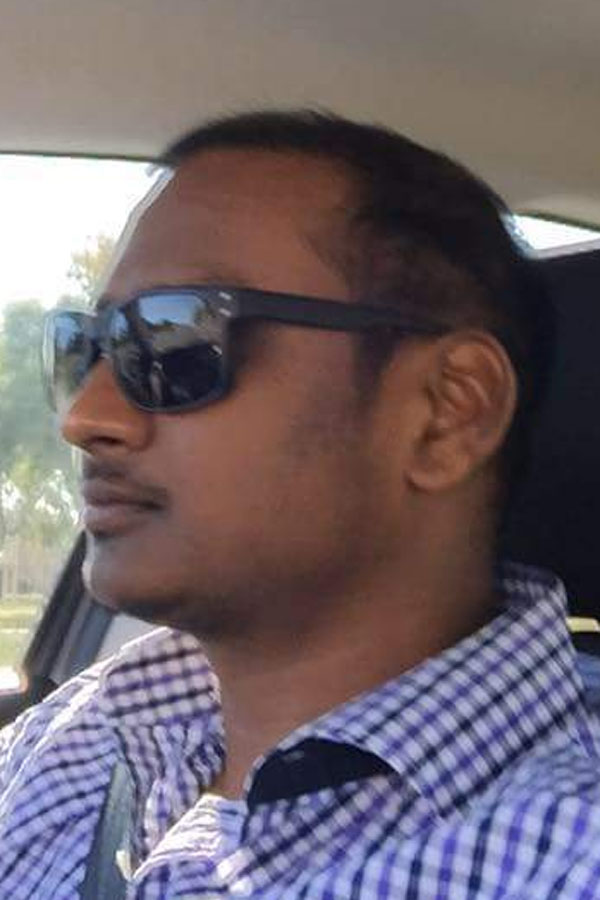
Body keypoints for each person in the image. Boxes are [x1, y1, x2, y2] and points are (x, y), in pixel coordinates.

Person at [1, 110, 599, 899]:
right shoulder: (75, 733)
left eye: (176, 341)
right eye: (86, 348)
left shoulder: (566, 858)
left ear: (448, 412)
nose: (86, 417)